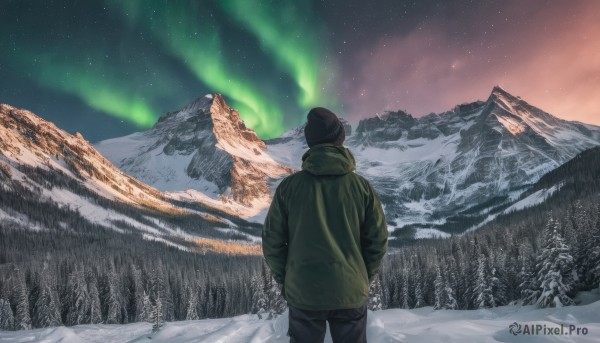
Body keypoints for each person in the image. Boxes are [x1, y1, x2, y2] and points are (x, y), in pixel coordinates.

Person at [263, 107, 388, 343]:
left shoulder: (289, 188)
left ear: (311, 142)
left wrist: (288, 280)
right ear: (340, 138)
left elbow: (272, 242)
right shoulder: (362, 188)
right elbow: (378, 241)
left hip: (303, 293)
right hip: (350, 291)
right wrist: (361, 277)